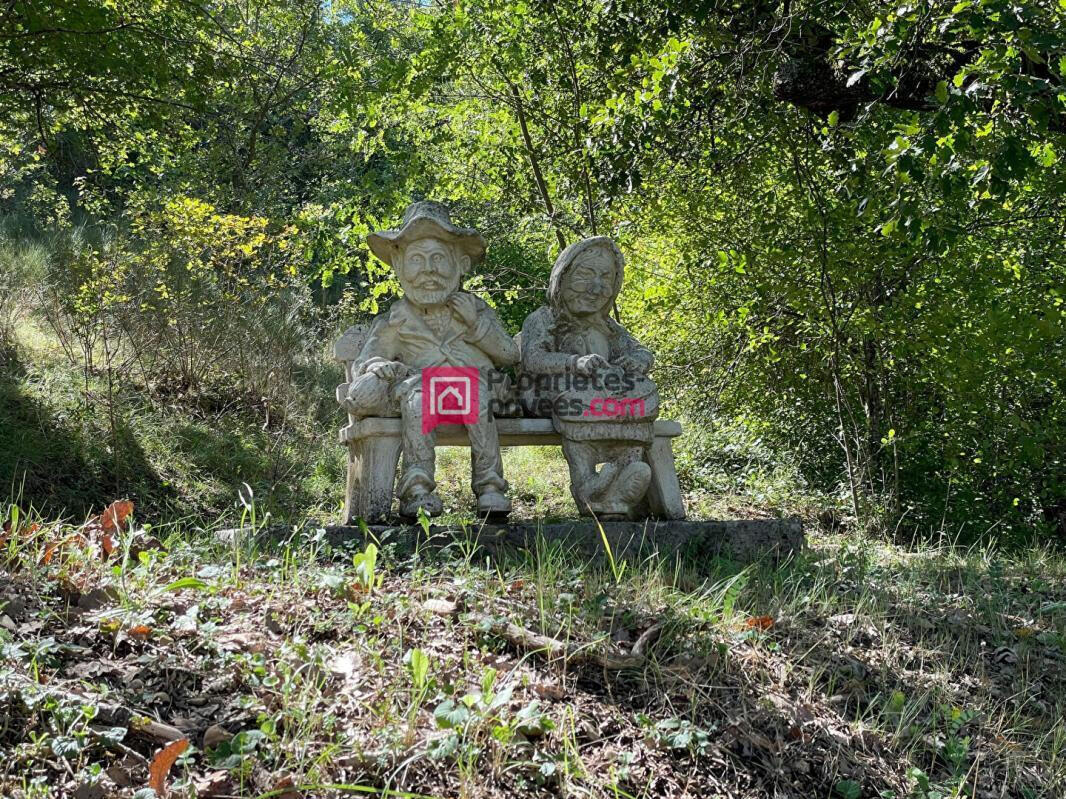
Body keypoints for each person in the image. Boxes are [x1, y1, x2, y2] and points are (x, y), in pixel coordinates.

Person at [341, 201, 518, 518]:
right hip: (422, 394)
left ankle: (490, 487)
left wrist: (477, 327)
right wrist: (376, 366)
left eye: (438, 259)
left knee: (475, 396)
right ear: (398, 265)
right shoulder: (397, 319)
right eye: (417, 260)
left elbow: (508, 354)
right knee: (418, 400)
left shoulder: (474, 309)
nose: (429, 271)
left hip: (476, 392)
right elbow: (366, 360)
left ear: (460, 264)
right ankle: (417, 489)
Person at [519, 236, 659, 518]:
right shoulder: (545, 318)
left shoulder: (608, 326)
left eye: (605, 278)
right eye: (585, 275)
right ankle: (586, 485)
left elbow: (641, 351)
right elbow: (533, 359)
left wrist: (637, 361)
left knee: (641, 394)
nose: (596, 288)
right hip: (556, 396)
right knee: (574, 403)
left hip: (604, 399)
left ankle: (623, 477)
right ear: (563, 277)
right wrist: (576, 363)